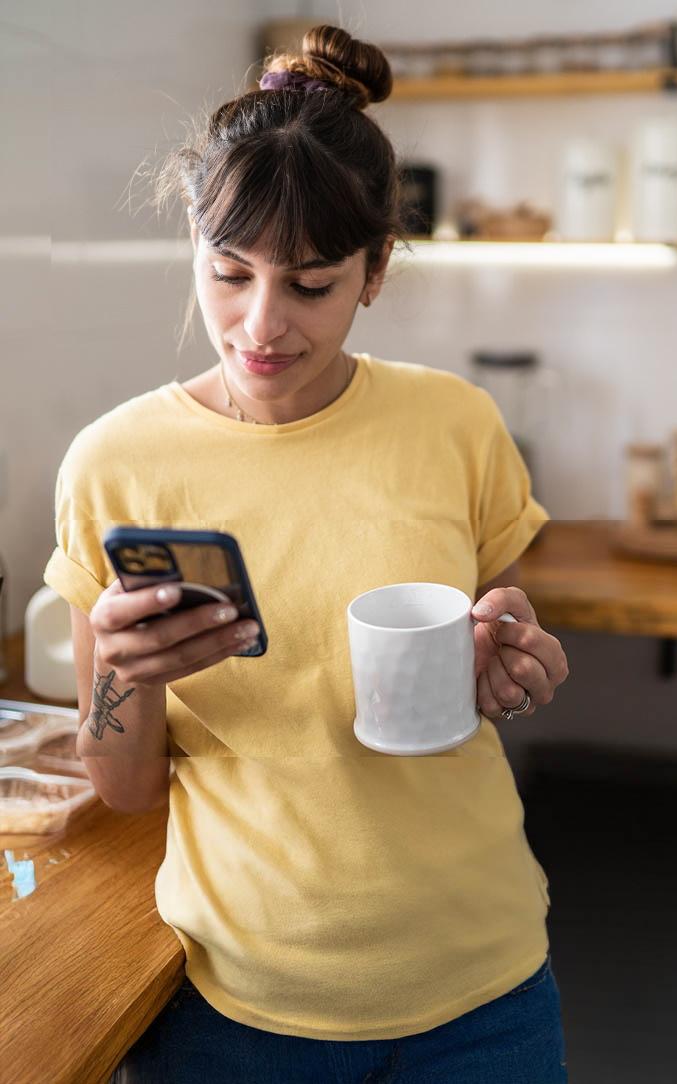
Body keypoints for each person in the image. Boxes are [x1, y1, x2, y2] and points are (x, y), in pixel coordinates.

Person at [44, 24, 570, 1084]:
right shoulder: (114, 464)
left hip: (481, 983)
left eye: (312, 283)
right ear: (193, 244)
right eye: (228, 272)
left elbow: (502, 639)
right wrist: (123, 678)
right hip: (240, 1002)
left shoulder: (456, 424)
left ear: (376, 271)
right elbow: (126, 784)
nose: (259, 327)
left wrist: (518, 664)